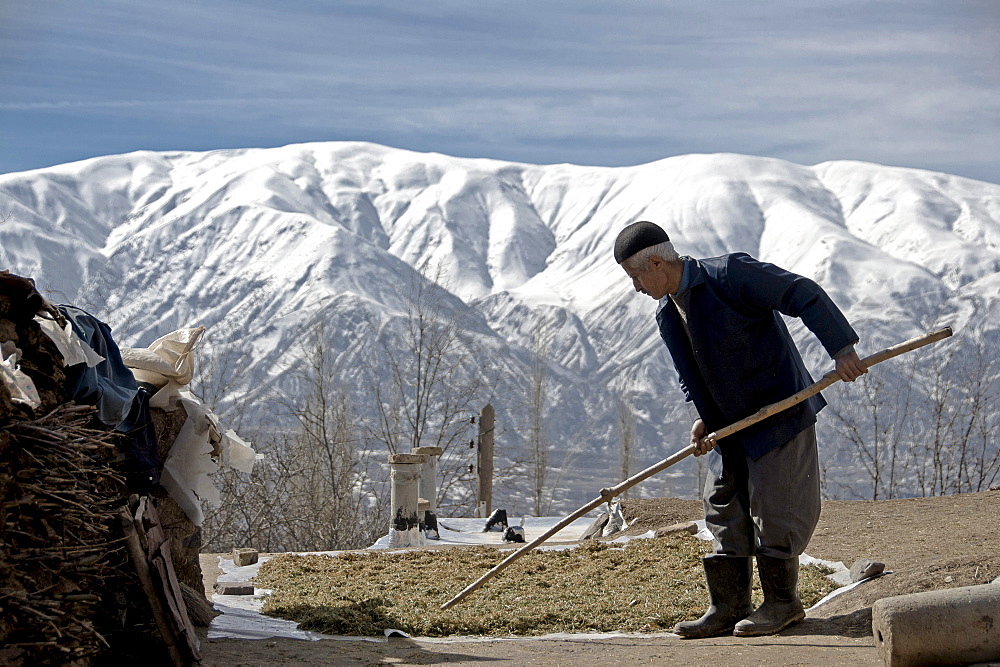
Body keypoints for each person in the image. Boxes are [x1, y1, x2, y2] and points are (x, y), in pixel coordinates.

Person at [613, 221, 867, 638]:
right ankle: (729, 607)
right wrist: (703, 417)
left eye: (636, 276)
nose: (636, 287)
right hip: (730, 426)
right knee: (722, 507)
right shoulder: (668, 314)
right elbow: (692, 375)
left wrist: (842, 350)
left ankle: (782, 605)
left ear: (656, 262)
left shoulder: (729, 275)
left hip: (779, 414)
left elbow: (801, 292)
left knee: (777, 507)